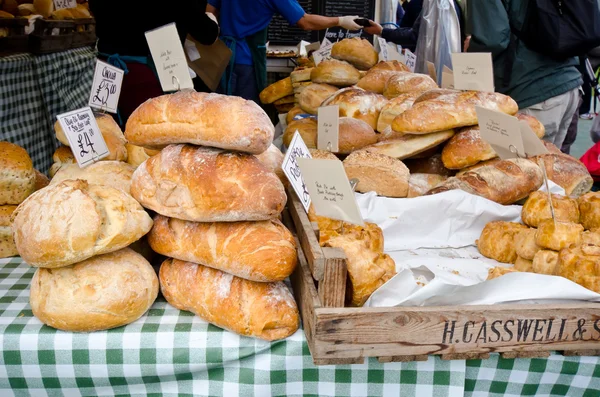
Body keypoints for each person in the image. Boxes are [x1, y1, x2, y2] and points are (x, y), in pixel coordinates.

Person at [468, 0, 582, 149]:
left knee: (522, 168)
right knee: (547, 166)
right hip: (568, 83)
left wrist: (469, 51)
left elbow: (491, 40)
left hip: (532, 92)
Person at [89, 0, 219, 124]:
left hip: (106, 71)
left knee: (109, 131)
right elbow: (206, 33)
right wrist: (211, 21)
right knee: (149, 137)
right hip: (147, 75)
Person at [206, 0, 361, 102]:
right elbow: (305, 22)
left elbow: (209, 10)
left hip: (221, 57)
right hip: (246, 62)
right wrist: (339, 21)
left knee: (221, 112)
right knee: (243, 117)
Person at [364, 0, 464, 53]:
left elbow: (416, 35)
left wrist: (382, 31)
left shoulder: (435, 4)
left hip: (430, 65)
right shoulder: (453, 4)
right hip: (450, 64)